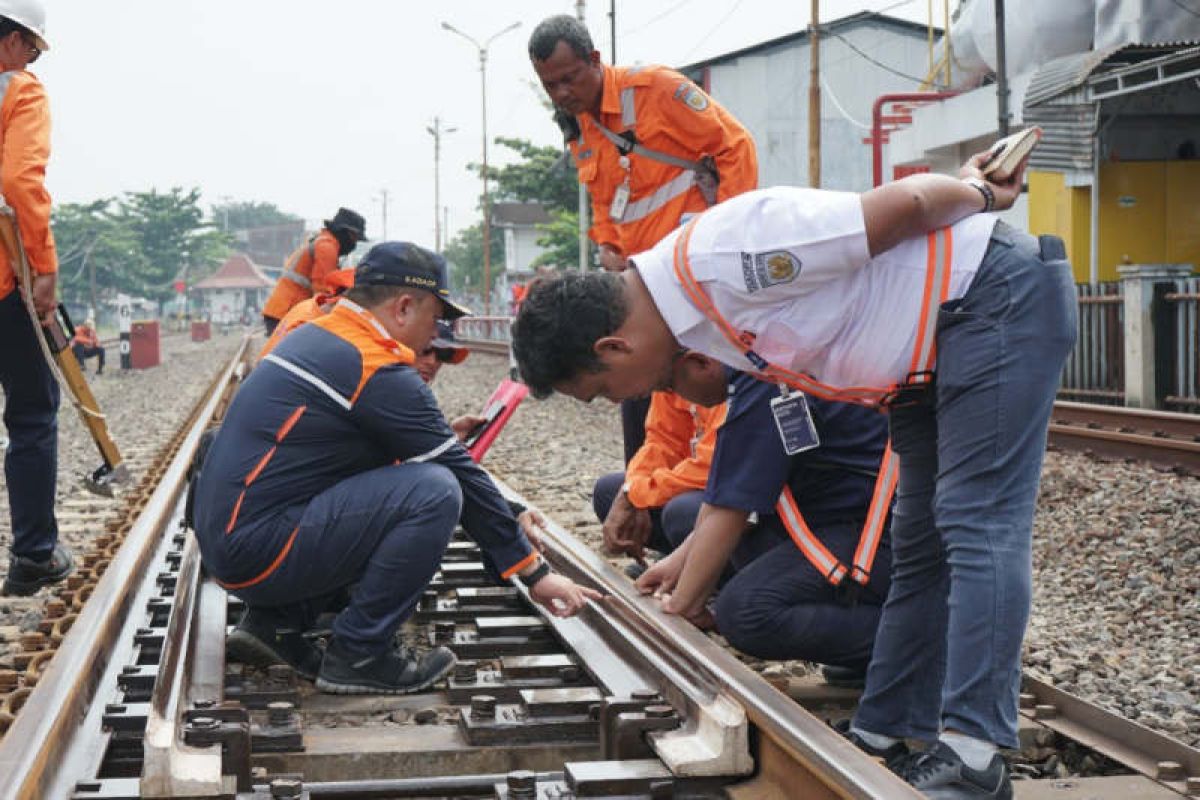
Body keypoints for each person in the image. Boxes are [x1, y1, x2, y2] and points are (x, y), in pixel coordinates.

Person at [511, 154, 1076, 799]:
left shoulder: (728, 256)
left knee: (977, 523)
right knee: (920, 540)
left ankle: (975, 753)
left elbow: (909, 207)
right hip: (921, 360)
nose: (614, 402)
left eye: (600, 392)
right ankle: (888, 727)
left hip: (990, 300)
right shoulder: (690, 315)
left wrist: (976, 189)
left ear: (613, 349)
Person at [194, 241, 600, 695]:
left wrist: (508, 511)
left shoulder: (319, 336)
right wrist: (535, 574)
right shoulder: (373, 364)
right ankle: (360, 652)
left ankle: (277, 625)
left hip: (235, 546)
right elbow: (453, 471)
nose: (436, 334)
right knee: (433, 491)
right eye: (437, 318)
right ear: (405, 307)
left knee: (392, 476)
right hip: (259, 553)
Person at [528, 15, 758, 466]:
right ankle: (647, 492)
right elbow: (604, 199)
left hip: (693, 273)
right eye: (550, 86)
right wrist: (608, 246)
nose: (562, 94)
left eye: (569, 79)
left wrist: (726, 238)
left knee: (706, 379)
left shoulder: (655, 90)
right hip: (642, 282)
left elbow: (736, 147)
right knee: (632, 383)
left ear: (594, 60)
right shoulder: (580, 129)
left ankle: (714, 487)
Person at [634, 353, 891, 682]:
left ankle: (921, 639)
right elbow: (733, 493)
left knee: (746, 613)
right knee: (694, 522)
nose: (681, 399)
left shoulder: (760, 382)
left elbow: (733, 507)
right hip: (834, 518)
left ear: (701, 363)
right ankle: (863, 640)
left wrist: (681, 605)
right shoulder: (759, 372)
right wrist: (677, 564)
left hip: (880, 531)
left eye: (674, 386)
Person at [0, 1, 74, 597]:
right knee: (31, 411)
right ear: (13, 42)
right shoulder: (19, 90)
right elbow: (21, 181)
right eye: (32, 49)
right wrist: (44, 270)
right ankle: (34, 555)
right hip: (5, 284)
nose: (32, 61)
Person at [591, 390, 725, 572]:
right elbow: (663, 442)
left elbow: (714, 468)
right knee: (607, 492)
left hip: (744, 507)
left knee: (680, 513)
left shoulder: (725, 375)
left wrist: (639, 494)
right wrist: (631, 490)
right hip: (694, 483)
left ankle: (711, 576)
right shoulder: (671, 377)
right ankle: (676, 560)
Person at [261, 207, 367, 335]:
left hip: (283, 309)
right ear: (345, 232)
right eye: (354, 238)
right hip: (287, 311)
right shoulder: (327, 248)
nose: (354, 244)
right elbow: (323, 293)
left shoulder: (321, 240)